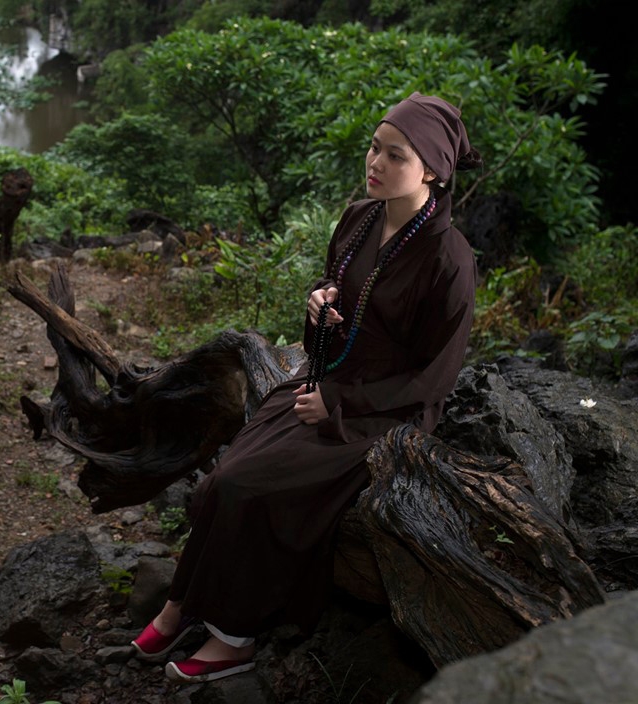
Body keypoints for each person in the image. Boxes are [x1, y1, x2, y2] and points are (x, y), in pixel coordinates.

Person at [130, 92, 483, 683]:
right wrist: (321, 306)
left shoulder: (450, 260)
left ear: (432, 172)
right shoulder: (360, 217)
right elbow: (337, 289)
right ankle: (181, 605)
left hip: (385, 413)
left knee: (249, 487)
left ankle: (234, 638)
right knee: (222, 478)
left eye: (395, 155)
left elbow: (435, 380)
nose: (375, 162)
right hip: (331, 377)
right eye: (374, 147)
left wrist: (341, 403)